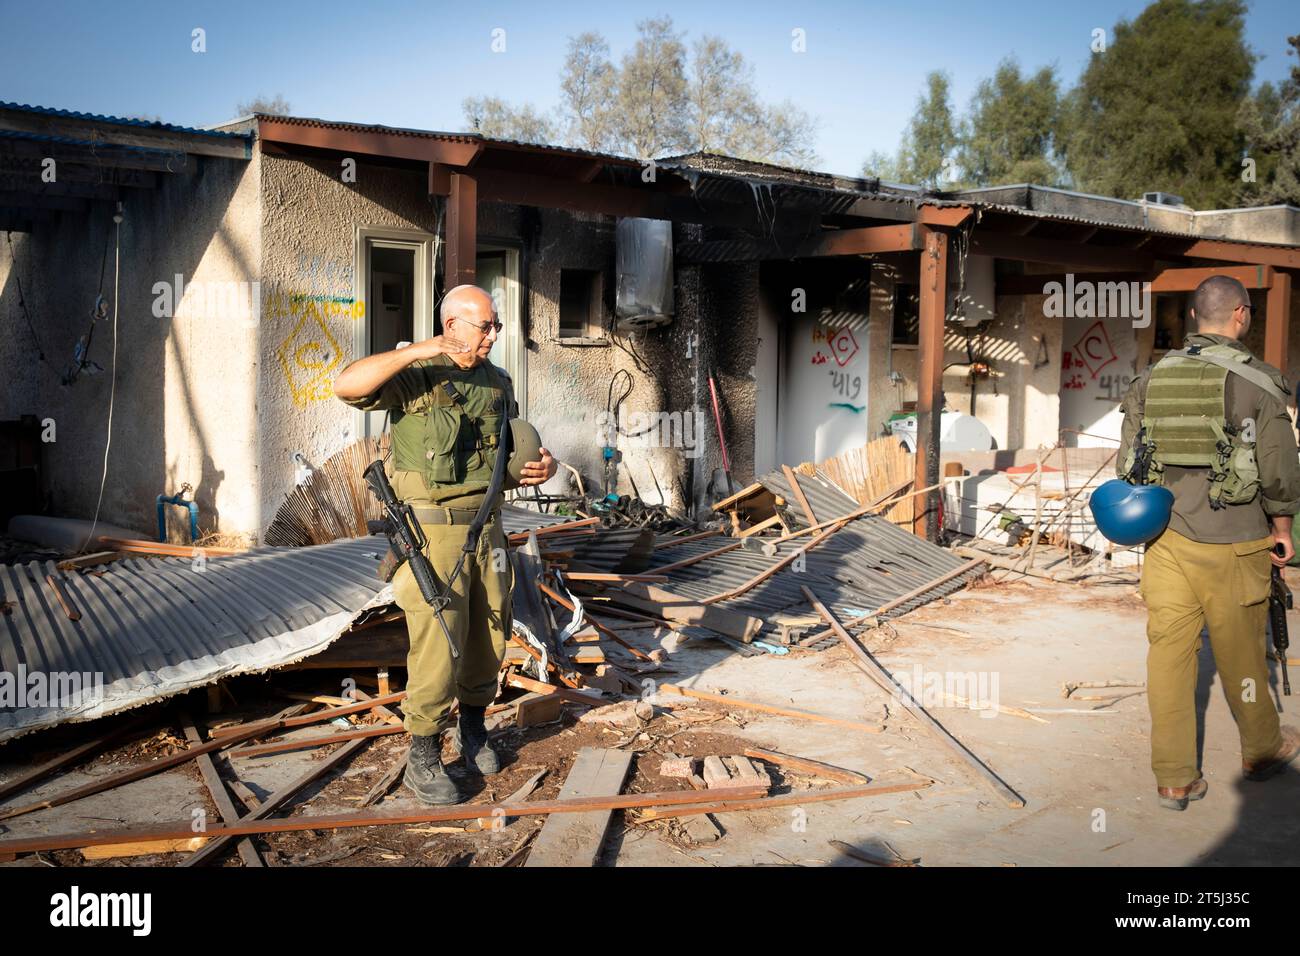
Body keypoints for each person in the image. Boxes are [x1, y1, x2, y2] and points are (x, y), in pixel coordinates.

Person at [333, 285, 556, 805]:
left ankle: (473, 731)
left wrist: (538, 470)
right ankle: (424, 755)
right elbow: (346, 386)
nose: (494, 334)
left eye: (496, 325)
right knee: (437, 642)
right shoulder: (414, 377)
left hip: (487, 527)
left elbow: (506, 458)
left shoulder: (498, 384)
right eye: (486, 326)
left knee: (488, 632)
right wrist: (416, 350)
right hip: (432, 532)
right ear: (452, 325)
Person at [1119, 275, 1300, 810]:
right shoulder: (1262, 383)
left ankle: (1174, 778)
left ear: (1195, 318)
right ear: (1241, 315)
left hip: (1166, 538)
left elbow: (1129, 462)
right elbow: (1279, 471)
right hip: (1236, 540)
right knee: (1242, 654)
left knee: (1169, 655)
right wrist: (1284, 529)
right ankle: (1263, 751)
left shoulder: (1150, 380)